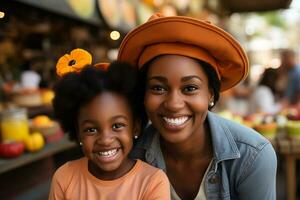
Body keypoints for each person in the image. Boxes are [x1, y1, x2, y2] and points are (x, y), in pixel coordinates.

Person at [118, 13, 277, 199]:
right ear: (143, 95)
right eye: (158, 88)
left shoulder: (252, 156)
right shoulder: (129, 153)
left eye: (190, 88)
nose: (173, 104)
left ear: (210, 93)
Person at [49, 49, 170, 200]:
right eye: (91, 129)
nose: (105, 140)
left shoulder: (152, 182)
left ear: (135, 128)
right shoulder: (64, 178)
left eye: (117, 126)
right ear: (78, 132)